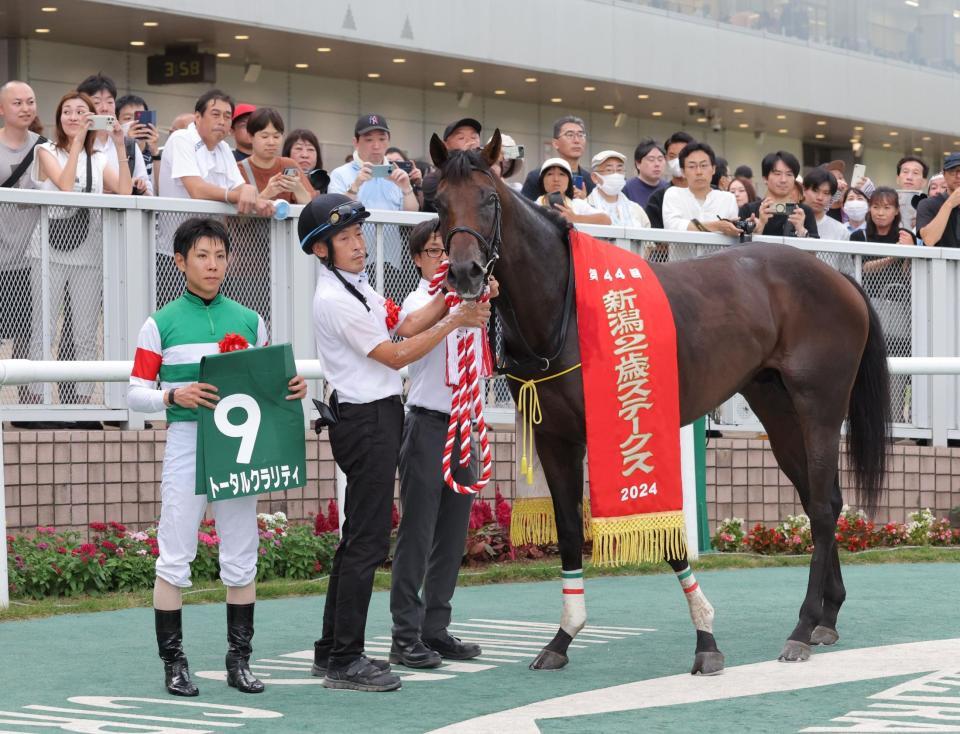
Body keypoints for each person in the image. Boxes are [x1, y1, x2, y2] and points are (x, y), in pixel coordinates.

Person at [300, 194, 491, 692]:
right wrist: (455, 320)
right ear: (322, 250)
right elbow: (395, 353)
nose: (359, 245)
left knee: (356, 543)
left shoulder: (356, 287)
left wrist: (450, 293)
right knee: (365, 544)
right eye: (345, 239)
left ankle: (331, 650)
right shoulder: (337, 298)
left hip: (376, 416)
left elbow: (404, 324)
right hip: (367, 419)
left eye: (359, 235)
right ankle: (345, 658)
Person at [128, 217, 307, 697]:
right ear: (180, 261)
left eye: (220, 255)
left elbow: (269, 383)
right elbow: (134, 395)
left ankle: (239, 661)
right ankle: (174, 664)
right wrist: (173, 397)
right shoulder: (159, 323)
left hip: (236, 450)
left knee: (242, 552)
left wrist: (291, 387)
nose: (212, 264)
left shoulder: (250, 320)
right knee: (175, 554)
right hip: (187, 443)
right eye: (202, 256)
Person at [389, 220, 486, 670]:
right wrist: (453, 309)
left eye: (445, 251)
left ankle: (435, 626)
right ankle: (404, 634)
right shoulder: (420, 299)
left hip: (466, 425)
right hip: (429, 423)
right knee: (417, 533)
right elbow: (408, 330)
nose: (441, 260)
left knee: (451, 534)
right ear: (417, 259)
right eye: (431, 252)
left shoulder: (474, 297)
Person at [25, 91, 132, 405]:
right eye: (67, 112)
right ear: (59, 118)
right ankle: (37, 402)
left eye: (81, 112)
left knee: (85, 330)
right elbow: (67, 185)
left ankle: (81, 403)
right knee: (43, 327)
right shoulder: (44, 151)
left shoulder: (98, 159)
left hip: (89, 251)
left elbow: (125, 192)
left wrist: (118, 143)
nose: (73, 118)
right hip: (47, 250)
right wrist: (76, 143)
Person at [157, 90, 269, 214]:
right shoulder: (181, 138)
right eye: (216, 115)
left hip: (215, 230)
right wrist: (237, 196)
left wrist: (254, 196)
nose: (222, 121)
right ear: (198, 117)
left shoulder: (224, 147)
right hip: (180, 230)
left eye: (227, 117)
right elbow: (196, 189)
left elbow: (237, 186)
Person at [0, 80, 43, 394]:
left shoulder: (45, 146)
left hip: (32, 258)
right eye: (17, 103)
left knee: (28, 332)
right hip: (1, 255)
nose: (26, 108)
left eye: (30, 101)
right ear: (2, 109)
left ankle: (26, 401)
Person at [76, 74, 152, 195]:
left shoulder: (129, 145)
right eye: (96, 102)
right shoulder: (76, 143)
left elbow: (148, 190)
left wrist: (139, 188)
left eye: (110, 102)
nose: (105, 108)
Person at [328, 114, 417, 212]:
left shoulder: (397, 175)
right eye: (369, 140)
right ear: (355, 142)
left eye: (382, 139)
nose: (376, 146)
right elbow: (336, 215)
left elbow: (412, 216)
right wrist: (355, 187)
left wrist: (406, 188)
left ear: (389, 141)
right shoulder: (340, 174)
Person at [237, 108, 314, 204]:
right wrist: (267, 194)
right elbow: (237, 215)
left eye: (276, 136)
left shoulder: (289, 164)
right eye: (264, 136)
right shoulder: (239, 170)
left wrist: (297, 188)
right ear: (250, 137)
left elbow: (310, 206)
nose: (271, 142)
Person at [662, 142, 739, 234]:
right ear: (683, 172)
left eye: (704, 165)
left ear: (713, 169)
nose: (699, 172)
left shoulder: (728, 199)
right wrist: (717, 226)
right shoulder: (673, 194)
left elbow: (733, 232)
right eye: (692, 166)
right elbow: (673, 227)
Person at [739, 151, 818, 238]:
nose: (783, 180)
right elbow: (737, 248)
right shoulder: (748, 210)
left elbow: (814, 251)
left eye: (789, 174)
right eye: (777, 174)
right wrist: (760, 226)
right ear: (765, 178)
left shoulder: (803, 212)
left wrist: (801, 230)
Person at [521, 116, 596, 200]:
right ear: (555, 143)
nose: (577, 140)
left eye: (581, 135)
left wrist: (585, 202)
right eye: (570, 135)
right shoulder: (537, 177)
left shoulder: (590, 180)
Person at [421, 117, 482, 212]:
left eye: (474, 137)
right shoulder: (433, 179)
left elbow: (509, 161)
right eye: (461, 138)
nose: (470, 142)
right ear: (446, 145)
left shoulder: (486, 171)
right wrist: (463, 158)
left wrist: (509, 151)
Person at [644, 131, 696, 228]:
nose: (677, 160)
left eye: (682, 155)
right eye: (672, 156)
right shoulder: (658, 198)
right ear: (666, 158)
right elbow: (655, 238)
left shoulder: (709, 193)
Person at [536, 158, 611, 225]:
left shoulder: (578, 205)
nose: (556, 179)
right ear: (542, 180)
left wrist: (575, 218)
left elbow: (606, 220)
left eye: (562, 174)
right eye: (550, 174)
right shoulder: (533, 206)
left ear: (569, 181)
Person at [586, 150, 651, 227]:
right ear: (595, 177)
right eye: (609, 170)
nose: (615, 175)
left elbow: (647, 237)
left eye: (619, 170)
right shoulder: (585, 207)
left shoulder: (636, 210)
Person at [116, 94, 160, 192]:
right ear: (117, 122)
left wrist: (156, 154)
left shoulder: (156, 154)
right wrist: (129, 146)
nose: (135, 123)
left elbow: (160, 191)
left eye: (139, 118)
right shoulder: (113, 152)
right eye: (128, 118)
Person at [918, 153, 960, 248]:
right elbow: (929, 240)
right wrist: (949, 204)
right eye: (953, 171)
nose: (958, 176)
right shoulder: (928, 204)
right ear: (944, 174)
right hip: (939, 262)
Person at [802, 167, 849, 242]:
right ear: (804, 189)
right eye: (815, 190)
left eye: (826, 193)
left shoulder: (841, 231)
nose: (820, 197)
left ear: (832, 196)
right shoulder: (788, 222)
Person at [623, 138, 667, 209]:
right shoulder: (626, 189)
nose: (657, 164)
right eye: (651, 159)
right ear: (638, 164)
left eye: (660, 159)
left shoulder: (669, 189)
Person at [283, 128, 328, 195]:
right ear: (287, 153)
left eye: (310, 149)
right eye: (298, 148)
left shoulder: (325, 182)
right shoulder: (277, 181)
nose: (305, 155)